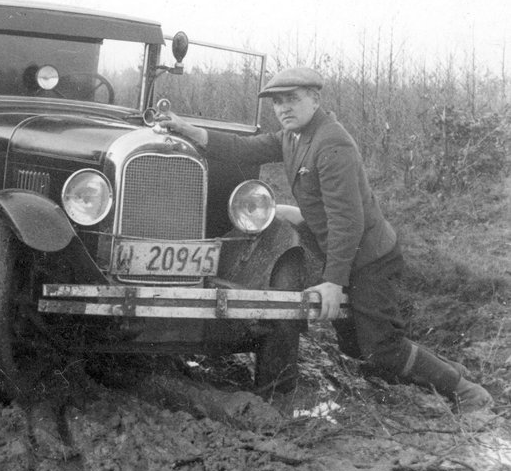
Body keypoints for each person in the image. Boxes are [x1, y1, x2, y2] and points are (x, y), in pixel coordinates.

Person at [159, 67, 493, 414]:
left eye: (292, 99)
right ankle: (452, 371)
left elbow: (347, 221)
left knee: (381, 349)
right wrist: (191, 131)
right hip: (342, 249)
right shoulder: (293, 136)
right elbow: (244, 149)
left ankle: (465, 390)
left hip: (371, 259)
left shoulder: (331, 142)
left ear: (315, 99)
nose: (283, 108)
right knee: (355, 347)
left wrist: (333, 281)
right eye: (277, 102)